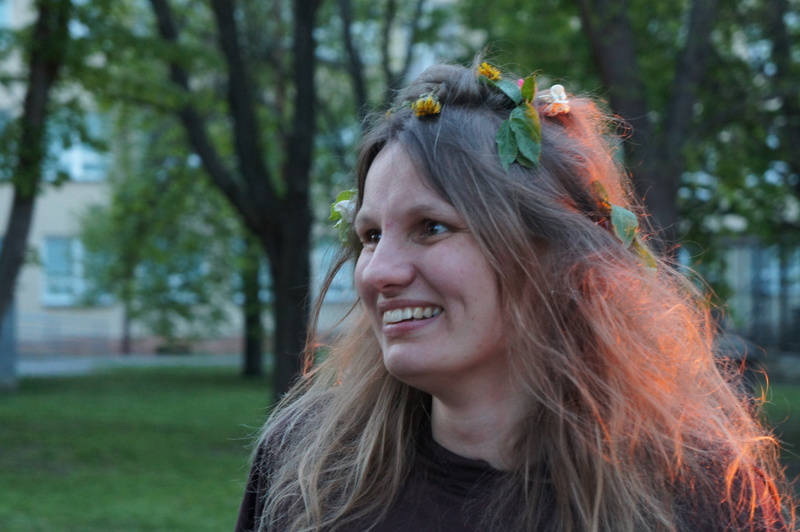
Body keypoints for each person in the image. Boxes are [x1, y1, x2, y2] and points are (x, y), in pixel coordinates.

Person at [235, 59, 794, 532]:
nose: (378, 272)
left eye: (432, 227)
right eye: (371, 235)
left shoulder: (698, 494)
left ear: (555, 251)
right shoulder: (306, 464)